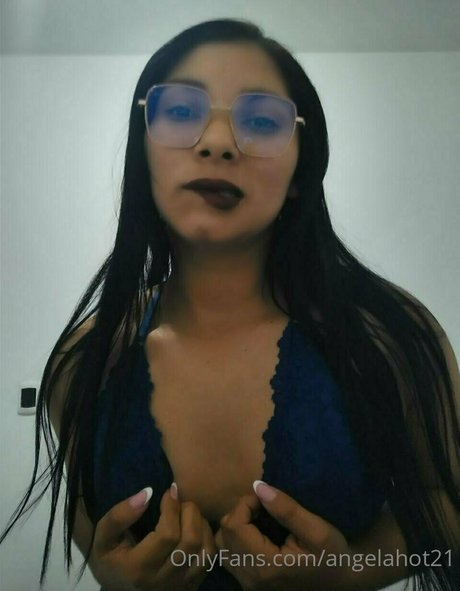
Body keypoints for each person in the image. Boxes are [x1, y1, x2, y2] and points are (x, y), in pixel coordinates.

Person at [1, 18, 459, 591]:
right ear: (143, 153)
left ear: (300, 170)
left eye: (261, 121)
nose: (217, 142)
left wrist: (350, 573)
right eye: (180, 111)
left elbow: (451, 513)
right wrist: (112, 576)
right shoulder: (83, 361)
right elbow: (89, 527)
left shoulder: (393, 336)